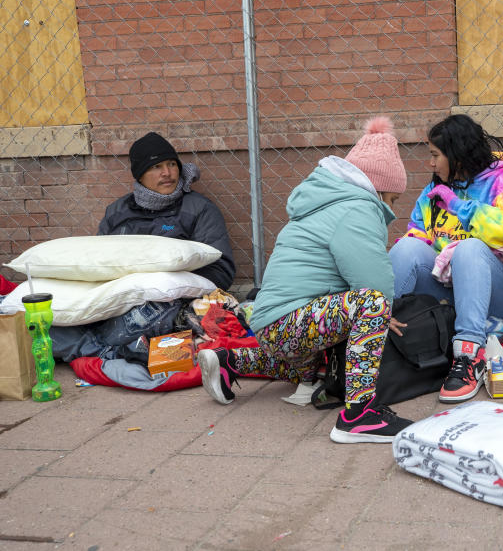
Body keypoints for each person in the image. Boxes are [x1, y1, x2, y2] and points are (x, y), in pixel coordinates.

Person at [198, 117, 415, 444]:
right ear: (379, 189)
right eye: (394, 200)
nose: (394, 209)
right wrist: (384, 311)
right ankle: (359, 416)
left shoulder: (326, 203)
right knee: (372, 301)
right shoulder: (358, 208)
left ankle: (231, 361)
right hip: (292, 321)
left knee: (312, 363)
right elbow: (371, 274)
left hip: (276, 324)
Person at [389, 114, 503, 403]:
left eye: (435, 155)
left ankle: (470, 357)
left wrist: (460, 207)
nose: (430, 163)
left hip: (498, 294)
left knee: (468, 248)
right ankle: (373, 337)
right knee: (407, 248)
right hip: (452, 294)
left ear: (456, 153)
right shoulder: (434, 190)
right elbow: (419, 234)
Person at [50, 132, 236, 363]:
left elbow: (221, 271)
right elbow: (97, 264)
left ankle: (103, 349)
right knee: (46, 327)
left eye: (171, 164)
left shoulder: (199, 209)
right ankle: (113, 350)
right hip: (114, 302)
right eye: (156, 167)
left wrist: (164, 286)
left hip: (166, 307)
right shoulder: (117, 212)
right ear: (139, 175)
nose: (167, 173)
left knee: (147, 322)